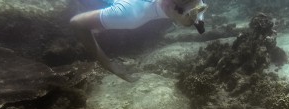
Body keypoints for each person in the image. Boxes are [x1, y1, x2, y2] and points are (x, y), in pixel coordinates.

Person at [70, 0, 208, 82]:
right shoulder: (132, 15)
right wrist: (109, 65)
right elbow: (77, 23)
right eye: (192, 16)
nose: (196, 20)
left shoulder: (184, 7)